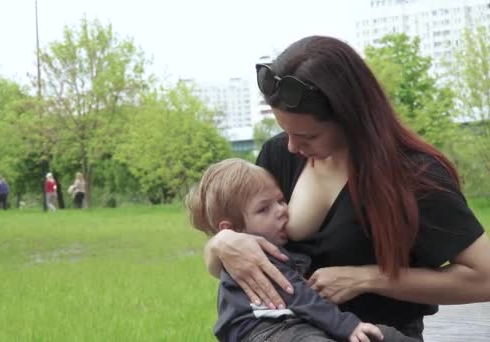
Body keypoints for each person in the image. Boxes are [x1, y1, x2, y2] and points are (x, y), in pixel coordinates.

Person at [203, 36, 490, 341]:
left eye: (308, 136)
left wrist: (368, 278)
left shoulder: (415, 177)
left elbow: (484, 278)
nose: (292, 145)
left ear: (350, 118)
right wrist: (222, 244)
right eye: (285, 131)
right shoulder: (279, 158)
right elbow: (226, 264)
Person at [187, 158, 418, 342]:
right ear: (232, 229)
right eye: (264, 209)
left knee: (382, 335)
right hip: (262, 331)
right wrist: (346, 325)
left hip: (297, 326)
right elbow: (299, 295)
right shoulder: (257, 256)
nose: (281, 211)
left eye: (280, 200)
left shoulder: (277, 248)